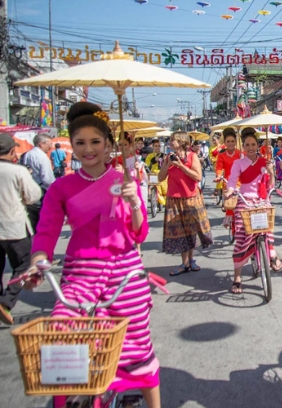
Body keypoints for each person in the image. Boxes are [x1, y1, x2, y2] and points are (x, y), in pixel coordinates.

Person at [25, 102, 161, 407]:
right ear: (71, 146)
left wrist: (135, 201)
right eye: (81, 143)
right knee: (62, 341)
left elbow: (138, 235)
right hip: (81, 274)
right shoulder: (61, 188)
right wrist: (38, 261)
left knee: (137, 347)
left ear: (108, 144)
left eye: (95, 142)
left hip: (125, 271)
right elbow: (46, 232)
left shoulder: (125, 181)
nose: (89, 150)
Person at [225, 128, 279, 294]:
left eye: (253, 144)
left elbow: (271, 185)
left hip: (262, 199)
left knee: (268, 225)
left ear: (258, 145)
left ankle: (271, 253)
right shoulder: (238, 163)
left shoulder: (265, 162)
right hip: (245, 200)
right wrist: (229, 190)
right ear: (243, 147)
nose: (250, 147)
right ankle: (237, 277)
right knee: (241, 234)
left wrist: (271, 171)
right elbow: (233, 181)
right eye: (247, 144)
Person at [0, 134, 42, 325]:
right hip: (14, 226)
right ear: (10, 151)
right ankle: (6, 302)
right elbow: (33, 196)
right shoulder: (17, 171)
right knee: (25, 265)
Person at [160, 131, 213, 276]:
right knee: (180, 232)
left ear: (182, 142)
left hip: (191, 198)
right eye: (170, 140)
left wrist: (181, 166)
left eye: (174, 140)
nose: (171, 143)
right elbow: (160, 177)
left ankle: (191, 260)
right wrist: (169, 164)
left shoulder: (192, 156)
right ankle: (184, 263)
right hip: (174, 199)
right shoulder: (168, 157)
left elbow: (197, 176)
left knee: (191, 230)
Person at [20, 133, 55, 234]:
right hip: (41, 192)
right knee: (43, 225)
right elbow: (47, 179)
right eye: (49, 144)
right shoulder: (42, 157)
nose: (50, 147)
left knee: (32, 225)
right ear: (41, 144)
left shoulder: (27, 154)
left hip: (29, 191)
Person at [214, 128, 243, 228]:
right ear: (225, 143)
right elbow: (219, 168)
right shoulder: (221, 155)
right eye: (228, 141)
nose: (230, 143)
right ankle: (229, 217)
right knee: (230, 202)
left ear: (236, 142)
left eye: (232, 141)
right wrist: (218, 176)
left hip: (241, 181)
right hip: (228, 181)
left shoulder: (240, 154)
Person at [145, 140, 168, 211]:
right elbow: (147, 166)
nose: (157, 148)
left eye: (159, 146)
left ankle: (164, 202)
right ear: (153, 147)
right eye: (156, 146)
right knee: (156, 187)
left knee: (165, 189)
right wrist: (154, 160)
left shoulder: (164, 155)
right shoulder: (150, 156)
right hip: (153, 174)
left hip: (162, 174)